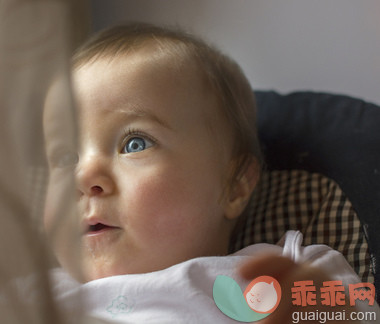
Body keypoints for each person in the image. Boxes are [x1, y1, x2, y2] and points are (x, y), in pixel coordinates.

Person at [42, 23, 378, 323]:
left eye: (135, 143)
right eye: (64, 157)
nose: (83, 177)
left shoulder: (289, 275)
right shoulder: (27, 295)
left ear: (234, 186)